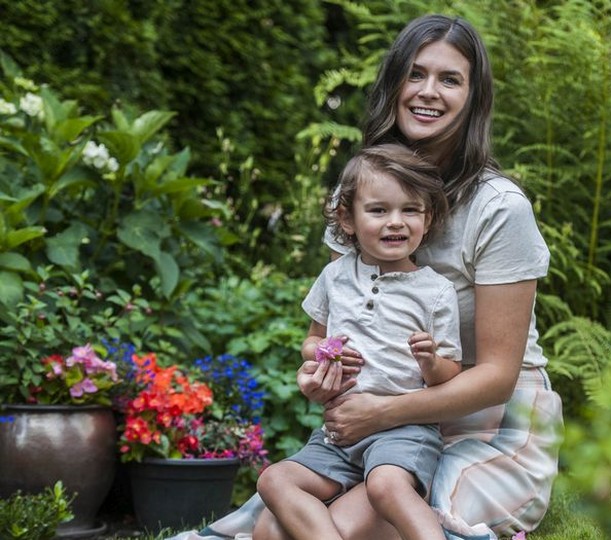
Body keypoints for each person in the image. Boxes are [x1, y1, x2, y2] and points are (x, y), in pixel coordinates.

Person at [168, 12, 563, 540]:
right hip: (380, 426)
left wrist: (380, 414)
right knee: (271, 530)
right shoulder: (358, 195)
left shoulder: (498, 208)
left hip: (487, 424)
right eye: (415, 74)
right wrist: (326, 379)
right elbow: (339, 330)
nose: (428, 92)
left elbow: (497, 376)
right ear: (394, 82)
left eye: (450, 79)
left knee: (356, 527)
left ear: (473, 97)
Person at [256, 143, 463, 540]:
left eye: (410, 210)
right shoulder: (334, 278)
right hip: (338, 432)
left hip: (404, 429)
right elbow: (312, 340)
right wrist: (322, 355)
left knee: (386, 486)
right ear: (347, 219)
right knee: (274, 480)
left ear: (428, 216)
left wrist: (430, 361)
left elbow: (449, 372)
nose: (396, 222)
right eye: (379, 210)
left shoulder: (435, 291)